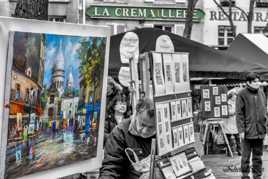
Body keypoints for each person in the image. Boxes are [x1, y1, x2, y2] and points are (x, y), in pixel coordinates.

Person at [99, 98, 163, 179]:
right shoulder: (120, 133)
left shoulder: (162, 134)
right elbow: (111, 167)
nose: (144, 131)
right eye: (142, 124)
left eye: (151, 127)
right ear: (136, 114)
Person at [236, 72, 267, 179]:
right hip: (247, 131)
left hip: (260, 131)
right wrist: (241, 130)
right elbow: (239, 114)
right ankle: (245, 176)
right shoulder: (241, 94)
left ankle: (257, 176)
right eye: (255, 81)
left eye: (258, 81)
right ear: (248, 82)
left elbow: (264, 111)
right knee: (245, 156)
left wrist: (265, 126)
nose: (258, 83)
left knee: (258, 156)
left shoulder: (261, 93)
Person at [222, 88, 241, 156]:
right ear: (231, 96)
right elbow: (227, 112)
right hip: (228, 122)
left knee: (237, 137)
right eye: (234, 95)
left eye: (236, 95)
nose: (235, 97)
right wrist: (234, 112)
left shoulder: (237, 103)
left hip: (235, 122)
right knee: (228, 137)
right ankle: (229, 151)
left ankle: (239, 150)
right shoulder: (227, 103)